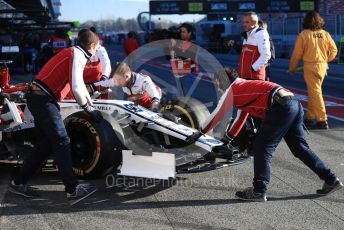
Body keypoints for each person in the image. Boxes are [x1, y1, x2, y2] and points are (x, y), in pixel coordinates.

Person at [186, 67, 343, 202]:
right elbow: (242, 116)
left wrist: (199, 132)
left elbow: (217, 114)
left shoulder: (231, 90)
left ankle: (259, 191)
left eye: (217, 84)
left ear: (221, 81)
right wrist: (228, 138)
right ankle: (331, 179)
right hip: (293, 103)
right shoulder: (243, 86)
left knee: (262, 147)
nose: (218, 88)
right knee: (299, 147)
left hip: (280, 107)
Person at [9, 29, 101, 205]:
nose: (96, 52)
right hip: (42, 99)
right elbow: (76, 85)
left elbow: (79, 85)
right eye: (96, 48)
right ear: (91, 45)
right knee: (62, 140)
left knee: (46, 145)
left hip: (41, 98)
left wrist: (90, 104)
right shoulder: (77, 54)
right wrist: (88, 109)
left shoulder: (73, 52)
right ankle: (73, 190)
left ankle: (18, 182)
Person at [288, 11, 337, 130]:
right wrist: (326, 60)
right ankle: (310, 117)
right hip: (322, 66)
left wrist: (292, 68)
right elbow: (334, 50)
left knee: (315, 92)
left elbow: (296, 54)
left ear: (305, 21)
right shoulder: (325, 34)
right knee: (313, 91)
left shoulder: (303, 35)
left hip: (310, 66)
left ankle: (322, 120)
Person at [92, 62, 161, 111]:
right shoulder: (120, 78)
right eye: (115, 79)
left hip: (153, 100)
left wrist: (155, 103)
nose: (116, 82)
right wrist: (91, 87)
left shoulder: (143, 80)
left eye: (118, 80)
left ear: (126, 77)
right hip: (138, 102)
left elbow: (153, 92)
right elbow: (106, 83)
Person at [232, 12, 271, 80]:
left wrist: (253, 68)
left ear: (254, 22)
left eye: (247, 22)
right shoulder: (247, 34)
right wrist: (239, 69)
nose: (244, 24)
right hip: (245, 76)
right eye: (243, 22)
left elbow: (266, 55)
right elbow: (244, 55)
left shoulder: (261, 33)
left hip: (254, 77)